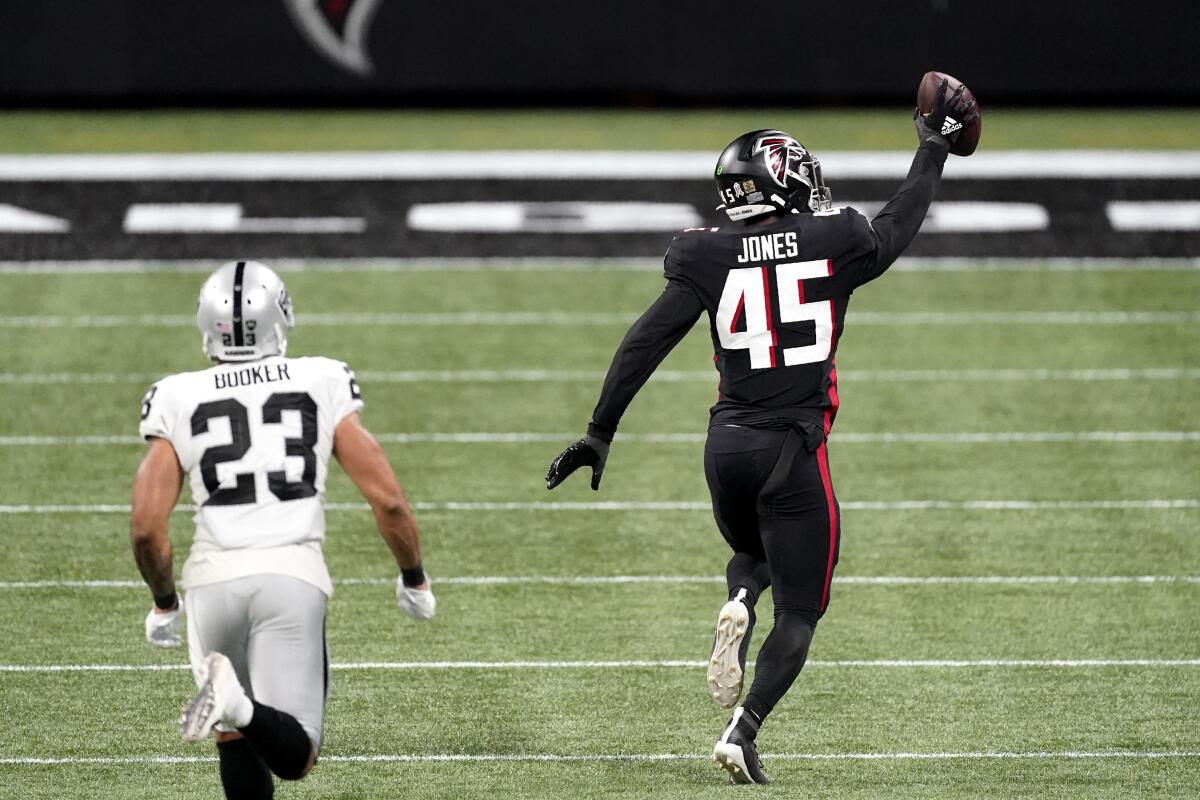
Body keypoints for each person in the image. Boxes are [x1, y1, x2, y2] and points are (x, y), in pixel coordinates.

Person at [546, 82, 978, 784]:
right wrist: (932, 149)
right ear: (783, 180)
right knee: (804, 608)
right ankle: (742, 732)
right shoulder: (834, 237)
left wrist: (600, 432)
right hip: (794, 448)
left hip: (727, 448)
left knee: (754, 551)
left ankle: (741, 599)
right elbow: (899, 224)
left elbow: (645, 341)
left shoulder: (703, 252)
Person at [130, 260, 435, 799]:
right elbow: (387, 501)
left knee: (234, 736)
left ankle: (234, 703)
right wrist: (413, 574)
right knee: (297, 755)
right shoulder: (322, 377)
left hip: (211, 581)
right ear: (282, 317)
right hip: (290, 575)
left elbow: (146, 529)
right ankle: (239, 701)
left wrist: (164, 603)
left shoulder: (176, 394)